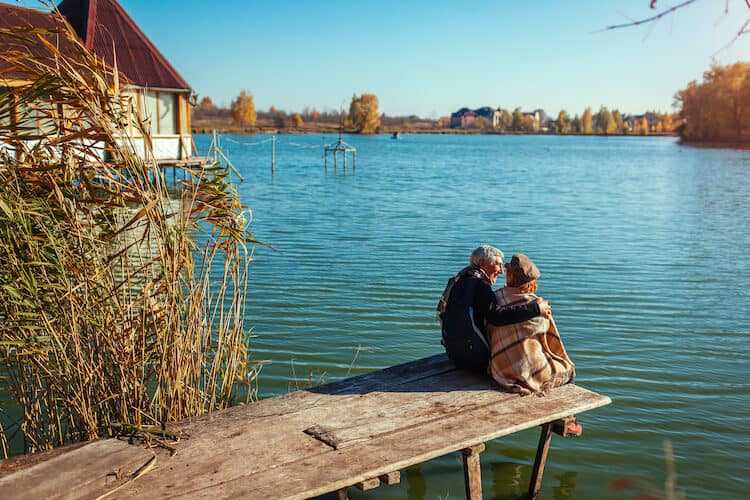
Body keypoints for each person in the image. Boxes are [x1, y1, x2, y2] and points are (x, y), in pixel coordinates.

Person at [437, 245, 548, 372]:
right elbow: (497, 316)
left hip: (456, 354)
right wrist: (535, 308)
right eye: (498, 265)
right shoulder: (480, 285)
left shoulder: (460, 279)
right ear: (483, 263)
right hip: (474, 360)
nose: (501, 271)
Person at [487, 253, 576, 396]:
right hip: (530, 370)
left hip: (500, 368)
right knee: (567, 368)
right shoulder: (539, 305)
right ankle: (567, 415)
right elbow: (552, 343)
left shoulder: (495, 300)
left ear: (510, 277)